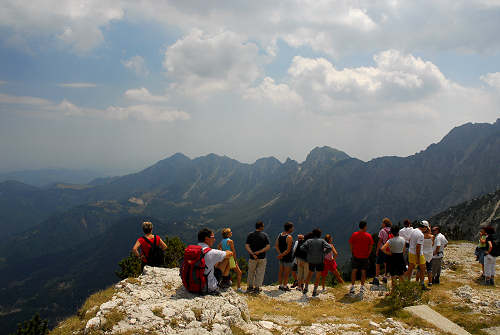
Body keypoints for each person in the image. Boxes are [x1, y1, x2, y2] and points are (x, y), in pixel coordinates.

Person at [197, 228, 233, 295]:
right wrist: (223, 252)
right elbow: (230, 254)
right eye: (213, 237)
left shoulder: (195, 249)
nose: (214, 239)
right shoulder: (211, 252)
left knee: (217, 259)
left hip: (194, 281)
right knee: (226, 258)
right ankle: (225, 281)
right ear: (207, 239)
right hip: (208, 286)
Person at [300, 228, 331, 296]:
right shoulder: (322, 241)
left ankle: (306, 288)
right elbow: (329, 247)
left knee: (309, 274)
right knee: (318, 276)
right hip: (320, 260)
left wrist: (308, 251)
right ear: (320, 234)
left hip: (311, 260)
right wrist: (324, 253)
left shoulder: (309, 241)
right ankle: (314, 291)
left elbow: (302, 247)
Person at [348, 221, 374, 296]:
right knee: (363, 272)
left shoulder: (354, 234)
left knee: (354, 270)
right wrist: (368, 253)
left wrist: (352, 251)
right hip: (365, 256)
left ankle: (352, 287)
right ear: (365, 227)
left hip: (356, 255)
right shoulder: (368, 236)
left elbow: (350, 243)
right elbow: (371, 245)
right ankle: (362, 287)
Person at [245, 221, 271, 294]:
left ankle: (250, 287)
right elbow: (268, 246)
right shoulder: (264, 235)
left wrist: (252, 253)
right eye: (263, 226)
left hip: (252, 257)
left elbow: (247, 246)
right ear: (260, 227)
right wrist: (259, 252)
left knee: (251, 272)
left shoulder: (250, 235)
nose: (263, 227)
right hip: (262, 257)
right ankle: (257, 288)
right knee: (260, 272)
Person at [381, 226, 406, 294]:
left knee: (393, 275)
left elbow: (382, 248)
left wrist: (388, 253)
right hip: (400, 257)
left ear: (392, 233)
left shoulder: (390, 241)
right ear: (398, 232)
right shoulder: (403, 239)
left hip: (393, 257)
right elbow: (404, 250)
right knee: (401, 274)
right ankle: (405, 289)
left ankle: (393, 291)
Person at [405, 220, 429, 290]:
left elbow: (409, 240)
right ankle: (421, 284)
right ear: (424, 227)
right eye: (426, 228)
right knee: (422, 269)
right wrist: (418, 259)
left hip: (411, 252)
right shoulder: (421, 235)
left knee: (410, 268)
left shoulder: (413, 230)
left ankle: (406, 283)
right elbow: (418, 247)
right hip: (418, 254)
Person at [218, 228, 243, 292]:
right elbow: (233, 251)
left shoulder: (221, 242)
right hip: (231, 258)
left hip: (225, 258)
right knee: (239, 273)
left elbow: (219, 249)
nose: (231, 233)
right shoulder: (230, 241)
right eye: (230, 232)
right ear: (228, 234)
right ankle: (239, 288)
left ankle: (223, 284)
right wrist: (235, 260)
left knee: (226, 272)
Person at [275, 222, 294, 291]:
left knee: (280, 271)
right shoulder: (289, 237)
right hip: (287, 257)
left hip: (281, 257)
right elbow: (288, 249)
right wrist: (282, 255)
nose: (293, 229)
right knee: (286, 272)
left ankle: (280, 285)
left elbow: (276, 245)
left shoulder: (280, 235)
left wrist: (280, 254)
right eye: (292, 227)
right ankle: (285, 286)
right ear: (289, 228)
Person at [373, 218, 392, 286]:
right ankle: (385, 276)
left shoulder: (382, 231)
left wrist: (377, 250)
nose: (382, 224)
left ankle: (377, 277)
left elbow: (380, 241)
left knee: (378, 263)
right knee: (386, 263)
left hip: (382, 248)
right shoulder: (391, 230)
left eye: (382, 223)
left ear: (384, 224)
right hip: (389, 249)